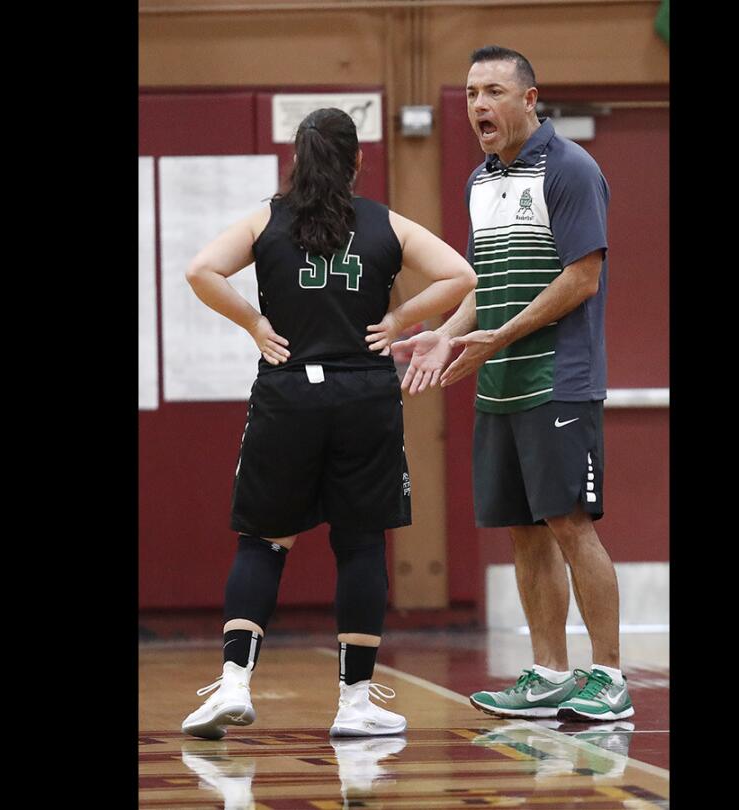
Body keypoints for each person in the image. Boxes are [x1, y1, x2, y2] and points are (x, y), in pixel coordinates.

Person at [180, 107, 476, 740]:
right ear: (357, 162)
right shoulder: (384, 223)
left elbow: (200, 269)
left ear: (297, 159)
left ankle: (233, 684)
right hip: (364, 394)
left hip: (288, 394)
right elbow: (461, 275)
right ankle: (356, 702)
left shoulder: (268, 218)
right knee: (361, 544)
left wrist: (255, 325)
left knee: (264, 539)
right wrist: (400, 322)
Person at [394, 46, 632, 722]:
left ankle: (608, 677)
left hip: (559, 379)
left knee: (569, 524)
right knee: (524, 533)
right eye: (472, 93)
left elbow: (581, 278)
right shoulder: (480, 181)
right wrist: (448, 332)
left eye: (495, 91)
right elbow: (486, 284)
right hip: (498, 385)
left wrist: (499, 337)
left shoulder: (572, 170)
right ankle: (549, 672)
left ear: (530, 99)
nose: (479, 106)